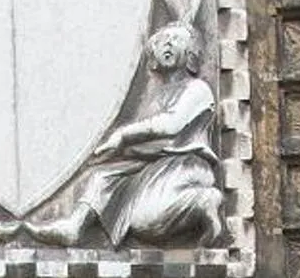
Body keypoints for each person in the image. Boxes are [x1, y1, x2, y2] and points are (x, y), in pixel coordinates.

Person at [46, 23, 225, 247]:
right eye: (162, 40)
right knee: (103, 178)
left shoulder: (197, 89)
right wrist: (120, 151)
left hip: (184, 167)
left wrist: (123, 136)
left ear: (190, 54)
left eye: (176, 40)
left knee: (146, 222)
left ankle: (202, 200)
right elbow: (153, 144)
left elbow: (172, 125)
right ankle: (75, 226)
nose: (168, 44)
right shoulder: (157, 97)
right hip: (156, 164)